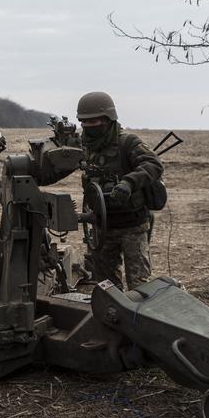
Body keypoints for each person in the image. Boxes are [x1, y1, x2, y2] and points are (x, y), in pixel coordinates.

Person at [77, 91, 163, 290]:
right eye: (85, 122)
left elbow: (153, 165)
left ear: (108, 119)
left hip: (132, 225)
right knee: (106, 287)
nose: (90, 127)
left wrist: (129, 183)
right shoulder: (84, 147)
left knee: (140, 287)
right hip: (102, 226)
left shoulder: (128, 142)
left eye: (95, 121)